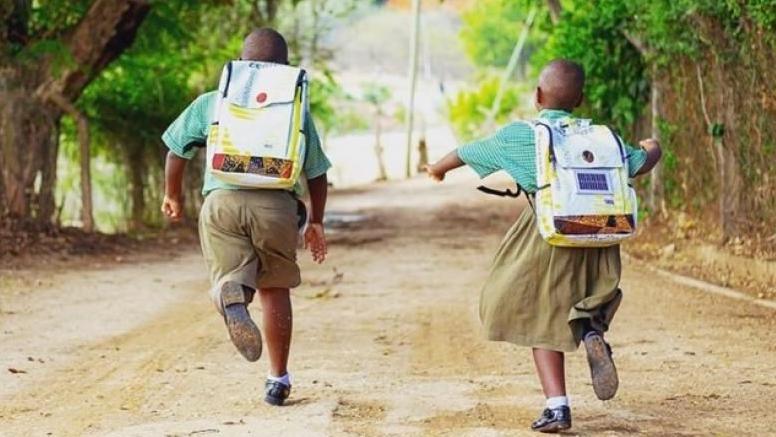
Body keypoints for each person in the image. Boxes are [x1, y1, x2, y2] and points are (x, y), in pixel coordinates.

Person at [425, 59, 662, 433]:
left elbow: (470, 151)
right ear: (580, 99)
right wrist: (653, 147)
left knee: (539, 315)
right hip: (600, 236)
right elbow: (638, 162)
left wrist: (438, 168)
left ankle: (557, 407)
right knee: (582, 301)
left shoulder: (524, 136)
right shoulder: (602, 137)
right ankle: (590, 331)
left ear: (537, 96)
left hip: (551, 233)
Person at [160, 28, 331, 407]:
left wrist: (172, 195)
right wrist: (315, 221)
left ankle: (232, 295)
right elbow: (317, 173)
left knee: (229, 275)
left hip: (221, 203)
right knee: (275, 289)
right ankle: (277, 380)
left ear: (240, 62)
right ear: (284, 67)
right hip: (276, 206)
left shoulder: (213, 102)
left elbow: (176, 150)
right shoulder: (295, 109)